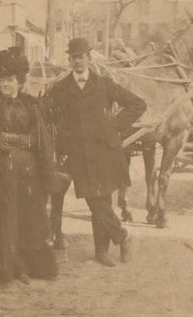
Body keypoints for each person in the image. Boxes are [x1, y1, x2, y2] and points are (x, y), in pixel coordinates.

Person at [46, 37, 147, 267]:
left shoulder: (103, 84)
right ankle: (123, 237)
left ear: (89, 58)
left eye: (81, 57)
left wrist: (114, 125)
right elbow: (49, 115)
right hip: (78, 155)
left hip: (104, 152)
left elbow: (138, 104)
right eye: (73, 57)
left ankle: (102, 251)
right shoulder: (61, 89)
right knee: (95, 201)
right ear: (69, 60)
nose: (78, 62)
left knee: (101, 200)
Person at [0, 47, 60, 281]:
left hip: (28, 175)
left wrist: (26, 142)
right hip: (0, 174)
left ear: (19, 82)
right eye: (2, 80)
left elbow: (43, 142)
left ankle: (26, 266)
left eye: (10, 80)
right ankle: (7, 266)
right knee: (5, 219)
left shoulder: (31, 106)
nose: (5, 84)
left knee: (29, 219)